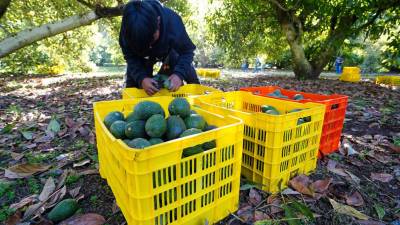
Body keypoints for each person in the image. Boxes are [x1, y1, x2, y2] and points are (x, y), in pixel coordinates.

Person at [119, 0, 199, 95]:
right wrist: (142, 78)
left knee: (185, 70)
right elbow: (131, 58)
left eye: (151, 40)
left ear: (158, 21)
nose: (150, 46)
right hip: (141, 57)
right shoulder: (127, 33)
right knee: (134, 86)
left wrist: (179, 74)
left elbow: (187, 51)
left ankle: (198, 95)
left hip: (169, 51)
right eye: (145, 44)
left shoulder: (173, 23)